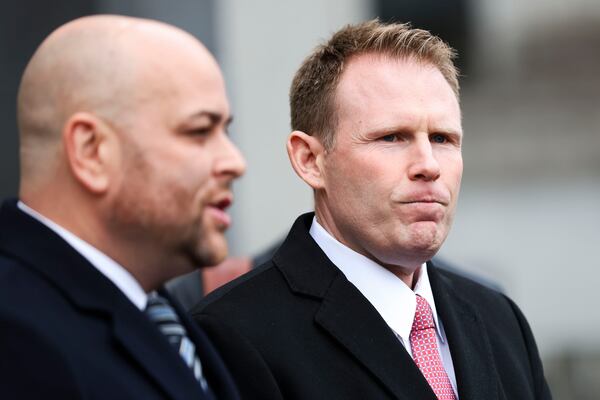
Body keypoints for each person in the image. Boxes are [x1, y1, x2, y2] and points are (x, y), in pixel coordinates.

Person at [192, 20, 552, 399]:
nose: (428, 165)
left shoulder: (500, 320)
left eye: (442, 138)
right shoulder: (231, 335)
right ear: (310, 160)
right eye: (392, 137)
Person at [0, 15, 245, 399]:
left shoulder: (162, 313)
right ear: (91, 151)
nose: (234, 162)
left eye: (225, 131)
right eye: (199, 131)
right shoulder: (16, 331)